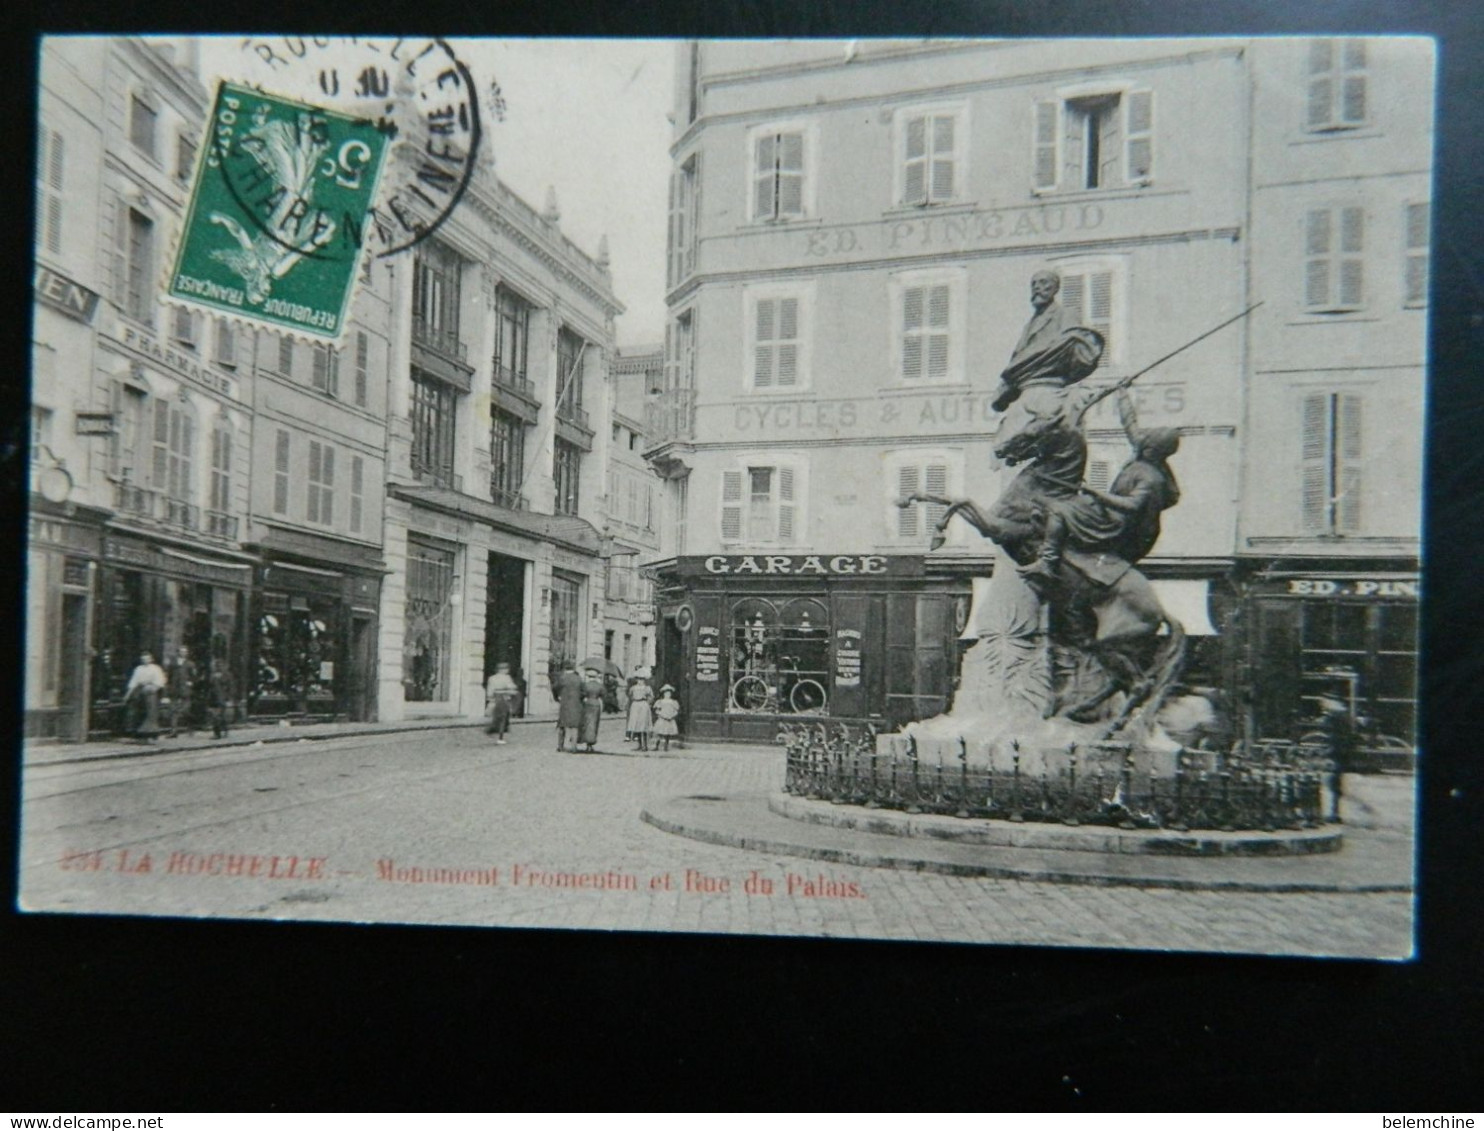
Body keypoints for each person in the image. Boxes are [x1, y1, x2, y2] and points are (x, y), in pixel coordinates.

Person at [1023, 385, 1181, 582]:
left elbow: (1132, 505)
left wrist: (1096, 493)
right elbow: (1130, 424)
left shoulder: (1151, 477)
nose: (1139, 442)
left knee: (1060, 509)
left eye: (1145, 442)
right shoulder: (1144, 452)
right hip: (1111, 514)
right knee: (1069, 501)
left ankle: (1048, 561)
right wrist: (1122, 393)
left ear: (1154, 449)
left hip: (1119, 526)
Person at [990, 269, 1103, 413]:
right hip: (1025, 392)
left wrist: (1032, 359)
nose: (1037, 287)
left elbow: (1075, 341)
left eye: (1043, 283)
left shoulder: (1065, 314)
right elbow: (1017, 357)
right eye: (1034, 284)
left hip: (1050, 392)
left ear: (1056, 288)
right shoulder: (1029, 325)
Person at [123, 652, 167, 743]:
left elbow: (160, 681)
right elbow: (134, 681)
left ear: (151, 659)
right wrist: (128, 694)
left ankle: (151, 734)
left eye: (147, 659)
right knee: (138, 711)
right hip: (140, 690)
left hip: (150, 691)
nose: (145, 660)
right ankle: (139, 733)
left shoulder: (155, 668)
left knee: (150, 711)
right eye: (143, 659)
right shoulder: (138, 669)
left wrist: (153, 687)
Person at [166, 645, 197, 738]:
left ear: (187, 653)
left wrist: (191, 682)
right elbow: (169, 675)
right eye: (181, 651)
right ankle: (174, 731)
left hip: (185, 690)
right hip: (175, 689)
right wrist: (169, 686)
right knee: (173, 710)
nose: (183, 653)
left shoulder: (190, 664)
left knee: (185, 710)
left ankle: (190, 726)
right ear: (178, 652)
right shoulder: (173, 663)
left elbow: (194, 676)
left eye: (185, 651)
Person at [486, 662, 518, 744]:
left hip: (496, 698)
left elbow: (490, 690)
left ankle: (493, 731)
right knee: (503, 718)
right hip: (504, 698)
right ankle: (500, 737)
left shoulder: (492, 678)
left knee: (497, 717)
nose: (507, 670)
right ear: (502, 670)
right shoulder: (507, 678)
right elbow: (512, 687)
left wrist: (490, 699)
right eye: (506, 669)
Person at [553, 661, 583, 752]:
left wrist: (556, 697)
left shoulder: (562, 678)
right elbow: (583, 691)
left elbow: (554, 688)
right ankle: (574, 747)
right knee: (574, 726)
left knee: (562, 725)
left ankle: (560, 746)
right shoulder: (578, 678)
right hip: (576, 704)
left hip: (564, 704)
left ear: (565, 668)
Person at [578, 667, 604, 752]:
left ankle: (587, 742)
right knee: (594, 723)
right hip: (596, 704)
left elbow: (581, 694)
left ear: (589, 676)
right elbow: (603, 694)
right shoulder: (599, 685)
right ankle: (591, 743)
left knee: (587, 723)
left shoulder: (585, 685)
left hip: (587, 704)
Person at [626, 674, 654, 752]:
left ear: (644, 680)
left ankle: (645, 745)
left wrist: (647, 703)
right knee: (636, 725)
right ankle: (639, 745)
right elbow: (630, 695)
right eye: (638, 679)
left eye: (642, 679)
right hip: (635, 705)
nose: (640, 681)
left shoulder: (647, 688)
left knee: (643, 725)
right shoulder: (633, 688)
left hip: (643, 705)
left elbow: (651, 697)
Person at [206, 656, 231, 739]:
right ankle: (224, 730)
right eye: (217, 665)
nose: (218, 667)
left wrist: (228, 698)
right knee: (216, 716)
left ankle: (218, 734)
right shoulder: (212, 675)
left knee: (218, 716)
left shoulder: (226, 675)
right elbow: (210, 687)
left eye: (220, 665)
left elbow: (229, 687)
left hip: (221, 698)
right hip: (213, 698)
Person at [652, 684, 681, 752]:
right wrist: (661, 715)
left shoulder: (673, 702)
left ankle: (666, 745)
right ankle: (656, 745)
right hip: (662, 718)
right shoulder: (660, 701)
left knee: (667, 732)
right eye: (666, 693)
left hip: (669, 718)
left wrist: (672, 716)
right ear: (663, 694)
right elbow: (657, 710)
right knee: (659, 732)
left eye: (669, 693)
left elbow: (676, 711)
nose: (667, 694)